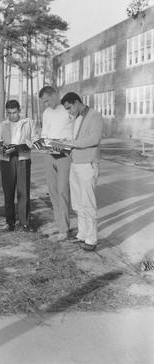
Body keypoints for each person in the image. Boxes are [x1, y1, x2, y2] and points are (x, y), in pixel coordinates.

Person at [60, 92, 103, 251]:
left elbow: (94, 139)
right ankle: (82, 235)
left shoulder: (95, 116)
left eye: (69, 108)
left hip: (88, 164)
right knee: (78, 203)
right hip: (75, 163)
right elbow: (75, 140)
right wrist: (63, 144)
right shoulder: (75, 118)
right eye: (66, 109)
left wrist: (72, 143)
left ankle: (91, 239)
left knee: (88, 203)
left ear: (77, 102)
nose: (69, 111)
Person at [0, 100, 38, 232]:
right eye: (9, 113)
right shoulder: (1, 125)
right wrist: (2, 150)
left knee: (23, 192)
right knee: (8, 192)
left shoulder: (28, 122)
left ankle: (25, 222)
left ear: (19, 110)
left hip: (23, 158)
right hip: (7, 160)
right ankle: (10, 222)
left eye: (14, 113)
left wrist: (29, 144)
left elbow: (35, 138)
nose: (12, 116)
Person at [39, 86, 73, 240]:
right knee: (52, 191)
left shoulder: (67, 109)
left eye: (47, 100)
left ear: (55, 95)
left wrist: (65, 142)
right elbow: (44, 133)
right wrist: (41, 143)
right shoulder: (46, 113)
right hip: (49, 154)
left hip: (64, 153)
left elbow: (75, 132)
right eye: (43, 102)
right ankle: (59, 225)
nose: (46, 104)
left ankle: (65, 229)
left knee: (63, 191)